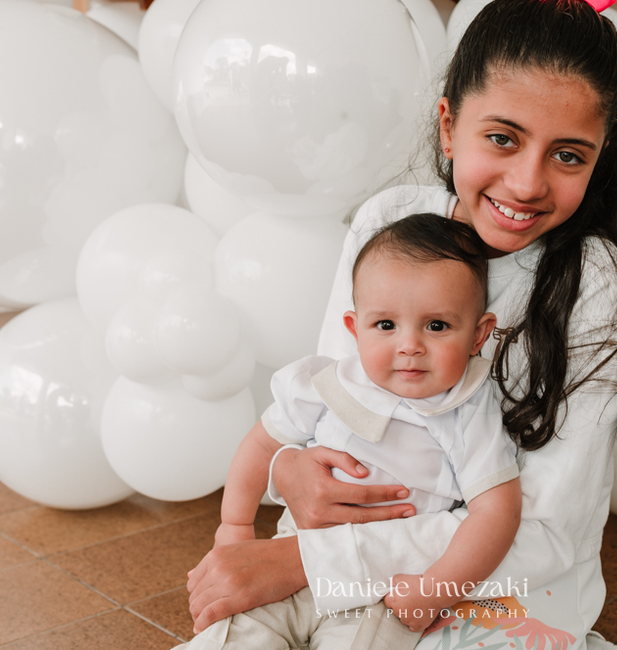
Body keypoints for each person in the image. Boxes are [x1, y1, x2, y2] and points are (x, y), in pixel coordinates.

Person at [185, 0, 617, 650]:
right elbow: (335, 399)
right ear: (449, 126)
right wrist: (288, 470)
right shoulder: (390, 223)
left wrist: (302, 559)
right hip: (341, 559)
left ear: (597, 161)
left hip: (493, 591)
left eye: (568, 155)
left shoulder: (593, 279)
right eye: (502, 138)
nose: (528, 182)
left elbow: (546, 528)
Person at [179, 214, 523, 648]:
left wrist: (438, 588)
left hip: (376, 588)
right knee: (234, 635)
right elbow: (262, 443)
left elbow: (497, 513)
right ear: (353, 329)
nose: (409, 345)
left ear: (478, 335)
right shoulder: (323, 383)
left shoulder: (467, 409)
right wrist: (234, 525)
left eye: (437, 326)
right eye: (385, 325)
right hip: (284, 561)